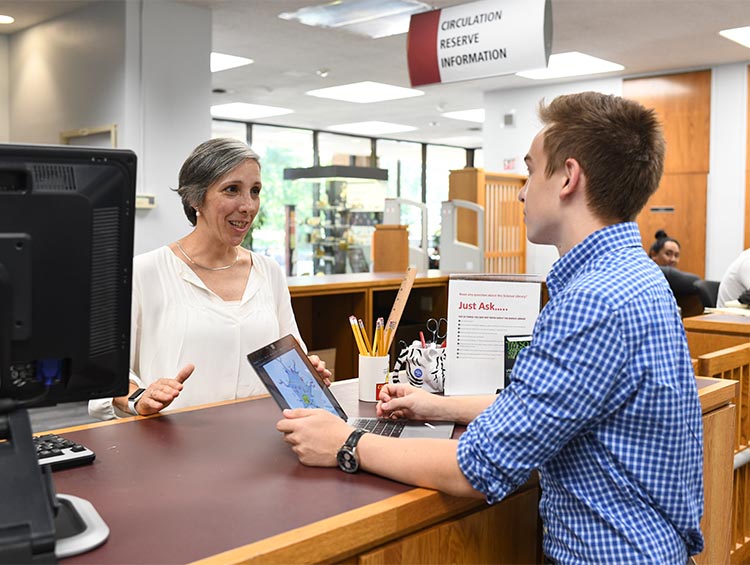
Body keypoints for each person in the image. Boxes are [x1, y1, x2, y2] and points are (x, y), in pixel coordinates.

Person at [276, 92, 704, 563]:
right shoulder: (635, 276)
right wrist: (436, 406)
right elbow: (543, 404)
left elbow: (477, 468)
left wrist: (346, 442)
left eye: (530, 170)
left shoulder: (591, 301)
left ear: (567, 177)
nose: (521, 191)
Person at [89, 138, 330, 420]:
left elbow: (289, 361)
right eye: (232, 190)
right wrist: (140, 398)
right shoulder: (144, 273)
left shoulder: (269, 272)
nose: (248, 206)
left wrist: (306, 376)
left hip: (262, 441)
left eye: (255, 191)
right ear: (194, 198)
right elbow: (106, 377)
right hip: (174, 447)